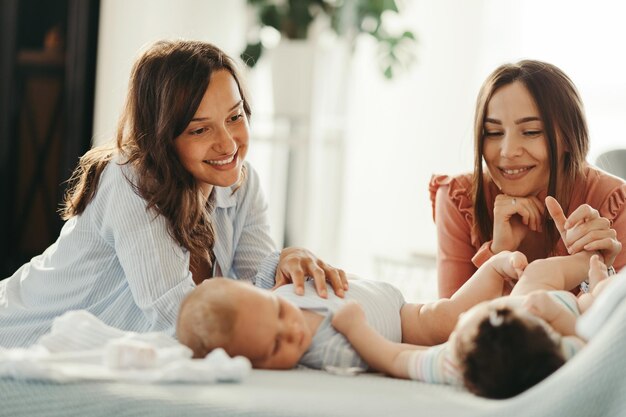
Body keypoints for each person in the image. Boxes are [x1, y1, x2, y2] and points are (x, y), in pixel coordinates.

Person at [0, 40, 347, 348]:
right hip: (19, 339)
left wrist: (287, 258)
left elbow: (254, 292)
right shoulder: (130, 180)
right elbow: (179, 317)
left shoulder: (241, 182)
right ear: (162, 137)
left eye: (235, 116)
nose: (228, 143)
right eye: (199, 129)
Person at [176, 246, 572, 370]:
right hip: (399, 326)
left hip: (385, 297)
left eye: (279, 314)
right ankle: (514, 296)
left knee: (446, 311)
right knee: (449, 321)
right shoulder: (323, 353)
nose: (291, 329)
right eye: (275, 346)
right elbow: (387, 358)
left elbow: (284, 273)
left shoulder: (273, 293)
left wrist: (295, 260)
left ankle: (493, 269)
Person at [430, 59, 626, 298]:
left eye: (531, 132)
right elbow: (449, 326)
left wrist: (591, 268)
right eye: (493, 133)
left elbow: (612, 329)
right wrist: (499, 254)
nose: (508, 151)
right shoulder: (458, 198)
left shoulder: (614, 202)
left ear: (568, 136)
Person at [331, 252, 615, 399]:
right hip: (565, 312)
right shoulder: (560, 354)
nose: (462, 317)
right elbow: (587, 341)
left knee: (537, 275)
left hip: (530, 305)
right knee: (597, 306)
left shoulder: (451, 361)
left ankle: (588, 270)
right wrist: (554, 312)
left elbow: (394, 358)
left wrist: (356, 328)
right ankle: (594, 268)